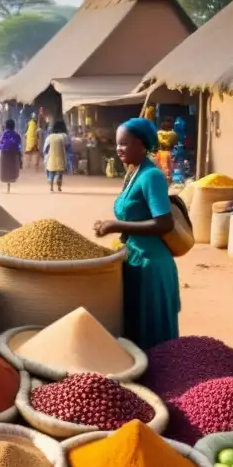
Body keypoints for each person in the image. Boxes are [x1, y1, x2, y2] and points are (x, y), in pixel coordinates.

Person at [93, 119, 180, 350]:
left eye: (124, 144)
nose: (119, 149)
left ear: (142, 144)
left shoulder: (151, 176)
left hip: (151, 265)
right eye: (117, 144)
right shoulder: (134, 172)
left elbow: (164, 223)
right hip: (134, 258)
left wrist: (116, 226)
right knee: (134, 333)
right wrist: (110, 225)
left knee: (152, 338)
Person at [43, 120, 69, 193]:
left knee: (51, 173)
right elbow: (67, 146)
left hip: (51, 158)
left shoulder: (49, 137)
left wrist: (45, 156)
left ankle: (51, 186)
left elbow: (45, 149)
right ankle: (59, 186)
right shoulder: (64, 136)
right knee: (60, 174)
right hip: (61, 157)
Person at [0, 119, 22, 193]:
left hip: (4, 154)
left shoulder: (4, 135)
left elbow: (0, 145)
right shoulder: (17, 135)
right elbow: (19, 146)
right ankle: (9, 186)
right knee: (12, 170)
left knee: (5, 170)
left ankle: (7, 187)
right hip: (14, 155)